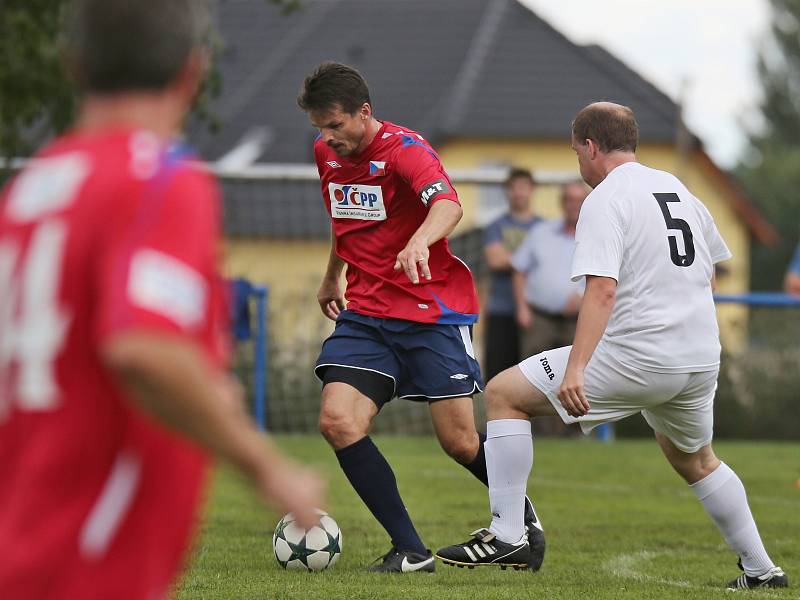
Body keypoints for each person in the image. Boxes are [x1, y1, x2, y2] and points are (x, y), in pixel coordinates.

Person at [0, 1, 323, 598]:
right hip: (84, 554)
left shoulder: (31, 188)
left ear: (73, 66)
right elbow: (143, 348)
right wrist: (267, 468)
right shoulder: (158, 178)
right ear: (192, 73)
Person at [436, 102, 789, 591]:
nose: (577, 163)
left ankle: (508, 533)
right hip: (699, 356)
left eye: (575, 151)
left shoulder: (604, 199)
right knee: (695, 459)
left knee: (502, 394)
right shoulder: (677, 187)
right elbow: (707, 271)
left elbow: (601, 289)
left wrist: (577, 366)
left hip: (639, 355)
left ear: (591, 147)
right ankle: (761, 570)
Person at [297, 61, 544, 573]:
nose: (328, 137)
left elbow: (449, 206)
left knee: (458, 442)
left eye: (336, 125)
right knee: (338, 421)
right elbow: (345, 220)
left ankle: (521, 523)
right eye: (320, 127)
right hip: (365, 313)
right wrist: (331, 277)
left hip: (431, 311)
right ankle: (409, 550)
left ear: (364, 112)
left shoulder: (406, 149)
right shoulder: (327, 154)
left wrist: (418, 241)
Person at [512, 180, 588, 359]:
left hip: (578, 321)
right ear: (562, 202)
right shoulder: (540, 232)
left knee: (573, 376)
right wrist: (522, 308)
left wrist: (583, 294)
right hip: (539, 320)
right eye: (569, 199)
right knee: (532, 375)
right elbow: (519, 271)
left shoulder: (596, 236)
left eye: (579, 200)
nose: (574, 205)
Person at [482, 168, 540, 381]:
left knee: (530, 377)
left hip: (535, 313)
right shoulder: (495, 226)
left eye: (523, 188)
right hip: (501, 310)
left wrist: (512, 257)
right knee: (497, 375)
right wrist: (530, 257)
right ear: (507, 192)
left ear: (532, 191)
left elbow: (547, 264)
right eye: (514, 188)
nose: (519, 193)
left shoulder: (543, 227)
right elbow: (495, 260)